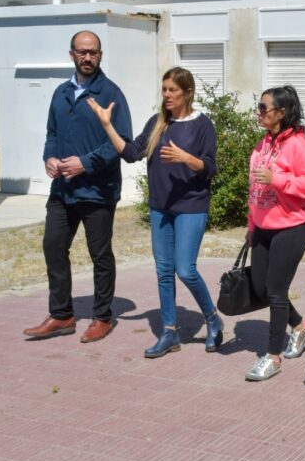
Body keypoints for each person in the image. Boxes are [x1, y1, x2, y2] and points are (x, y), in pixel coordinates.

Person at [87, 67, 223, 357]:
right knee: (163, 272)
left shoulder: (202, 125)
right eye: (164, 90)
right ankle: (169, 332)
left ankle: (212, 318)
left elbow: (211, 167)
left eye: (173, 90)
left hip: (191, 207)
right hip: (161, 208)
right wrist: (107, 126)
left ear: (188, 92)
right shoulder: (158, 123)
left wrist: (188, 159)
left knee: (185, 269)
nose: (167, 95)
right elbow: (131, 153)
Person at [24, 31, 132, 343]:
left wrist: (85, 162)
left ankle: (101, 317)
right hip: (63, 191)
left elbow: (120, 143)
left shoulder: (111, 93)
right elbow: (51, 133)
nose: (88, 58)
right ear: (71, 54)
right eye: (82, 52)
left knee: (99, 254)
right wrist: (50, 157)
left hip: (98, 191)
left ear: (100, 55)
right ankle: (62, 315)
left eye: (94, 52)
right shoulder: (60, 93)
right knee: (53, 246)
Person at [244, 85, 305, 381]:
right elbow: (254, 188)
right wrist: (251, 225)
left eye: (264, 108)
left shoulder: (297, 145)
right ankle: (300, 325)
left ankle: (273, 356)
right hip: (262, 227)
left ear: (282, 112)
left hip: (291, 228)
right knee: (261, 288)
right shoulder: (263, 144)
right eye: (259, 107)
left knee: (276, 292)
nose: (259, 113)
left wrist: (279, 179)